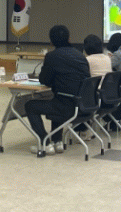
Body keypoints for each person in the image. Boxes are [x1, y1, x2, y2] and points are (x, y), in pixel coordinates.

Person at [24, 25, 89, 155]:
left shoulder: (52, 56)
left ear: (51, 41)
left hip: (68, 107)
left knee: (30, 105)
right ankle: (57, 141)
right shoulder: (80, 55)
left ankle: (45, 143)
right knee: (58, 99)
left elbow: (44, 80)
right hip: (84, 105)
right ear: (69, 39)